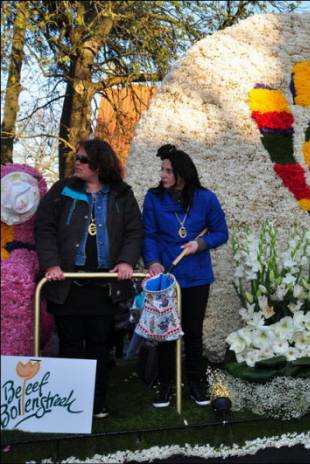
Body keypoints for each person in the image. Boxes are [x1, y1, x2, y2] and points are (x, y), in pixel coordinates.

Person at [35, 139, 143, 418]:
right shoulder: (63, 190)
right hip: (68, 283)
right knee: (69, 342)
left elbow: (134, 231)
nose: (77, 163)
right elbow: (44, 227)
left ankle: (96, 404)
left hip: (104, 286)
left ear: (99, 163)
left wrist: (125, 261)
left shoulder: (121, 194)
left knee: (99, 343)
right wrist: (51, 264)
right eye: (77, 158)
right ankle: (69, 408)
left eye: (83, 159)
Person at [142, 144, 229, 407]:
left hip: (197, 277)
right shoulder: (154, 198)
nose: (163, 175)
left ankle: (196, 383)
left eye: (168, 170)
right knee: (166, 332)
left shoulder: (206, 198)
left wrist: (199, 245)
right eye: (162, 170)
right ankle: (165, 384)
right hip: (167, 278)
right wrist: (153, 262)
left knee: (193, 331)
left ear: (182, 174)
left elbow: (220, 232)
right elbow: (149, 234)